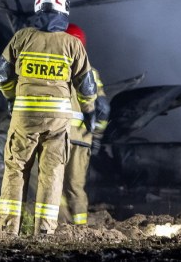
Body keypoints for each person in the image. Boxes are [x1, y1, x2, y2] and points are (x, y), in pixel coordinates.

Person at [0, 0, 97, 236]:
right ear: (64, 10)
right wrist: (89, 110)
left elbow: (1, 74)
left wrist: (11, 97)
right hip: (57, 124)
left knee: (16, 170)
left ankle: (8, 231)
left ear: (37, 9)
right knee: (51, 174)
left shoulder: (22, 37)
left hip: (24, 119)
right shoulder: (72, 45)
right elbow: (86, 85)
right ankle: (44, 232)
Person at [61, 23, 110, 228]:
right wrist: (97, 137)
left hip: (57, 136)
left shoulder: (55, 68)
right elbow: (103, 109)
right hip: (82, 139)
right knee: (76, 186)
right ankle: (80, 229)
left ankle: (61, 226)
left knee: (54, 185)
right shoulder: (91, 72)